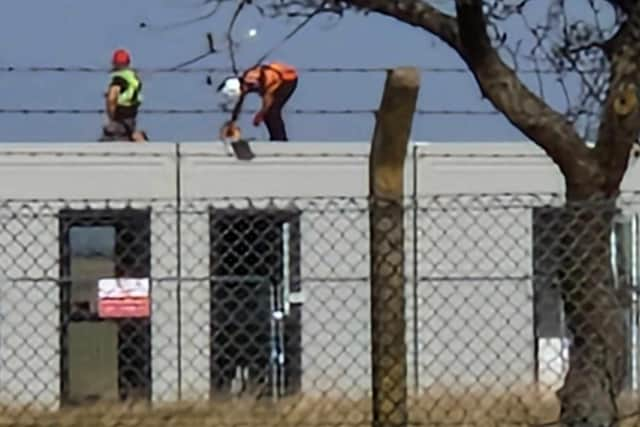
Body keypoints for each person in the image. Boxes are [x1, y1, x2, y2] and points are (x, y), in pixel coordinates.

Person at [218, 61, 298, 141]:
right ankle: (276, 137)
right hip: (276, 77)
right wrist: (233, 121)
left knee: (272, 111)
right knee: (268, 113)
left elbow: (268, 99)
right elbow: (239, 102)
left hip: (287, 79)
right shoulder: (246, 80)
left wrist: (260, 115)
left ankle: (279, 139)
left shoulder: (262, 79)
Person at [100, 48, 147, 142]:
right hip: (131, 116)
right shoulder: (133, 77)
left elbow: (112, 98)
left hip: (119, 118)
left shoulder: (119, 79)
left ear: (114, 63)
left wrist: (111, 114)